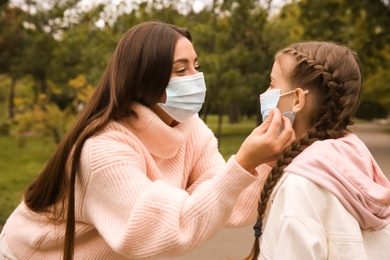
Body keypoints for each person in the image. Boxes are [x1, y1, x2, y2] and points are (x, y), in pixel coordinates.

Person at [0, 21, 295, 260]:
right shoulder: (103, 150)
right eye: (181, 70)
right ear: (145, 79)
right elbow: (160, 231)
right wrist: (242, 163)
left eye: (196, 65)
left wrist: (265, 161)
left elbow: (223, 203)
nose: (196, 78)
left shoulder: (190, 128)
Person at [246, 41, 390, 260]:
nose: (265, 93)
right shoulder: (357, 160)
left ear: (297, 99)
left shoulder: (300, 187)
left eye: (272, 84)